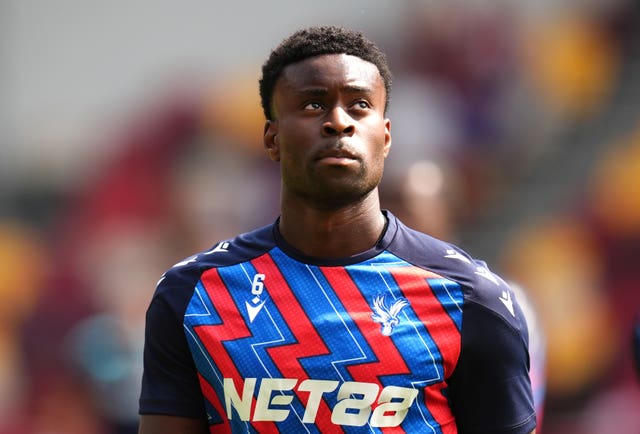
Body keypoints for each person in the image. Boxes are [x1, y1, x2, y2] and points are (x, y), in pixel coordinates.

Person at [138, 26, 537, 434]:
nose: (338, 122)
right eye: (313, 105)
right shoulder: (192, 295)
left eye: (360, 105)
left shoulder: (472, 301)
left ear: (385, 137)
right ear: (272, 138)